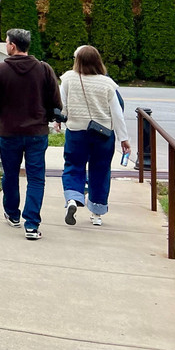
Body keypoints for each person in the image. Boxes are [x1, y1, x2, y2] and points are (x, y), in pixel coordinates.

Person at [0, 28, 62, 240]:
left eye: (7, 42)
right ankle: (32, 224)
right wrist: (44, 115)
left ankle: (12, 214)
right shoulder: (44, 69)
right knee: (36, 178)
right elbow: (56, 102)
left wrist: (4, 115)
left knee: (10, 174)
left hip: (9, 132)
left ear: (13, 46)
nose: (6, 45)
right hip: (37, 131)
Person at [59, 45, 130, 227]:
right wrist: (124, 138)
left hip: (76, 132)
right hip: (103, 134)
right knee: (100, 170)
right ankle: (97, 214)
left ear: (77, 60)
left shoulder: (67, 79)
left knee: (73, 166)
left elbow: (62, 105)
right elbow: (117, 114)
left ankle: (73, 199)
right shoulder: (108, 84)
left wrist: (59, 120)